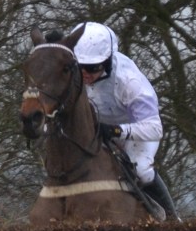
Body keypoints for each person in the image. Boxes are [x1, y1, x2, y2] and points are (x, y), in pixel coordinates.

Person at [72, 21, 179, 220]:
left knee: (140, 169)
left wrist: (116, 131)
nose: (85, 74)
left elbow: (155, 128)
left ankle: (173, 219)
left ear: (107, 61)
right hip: (97, 129)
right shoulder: (74, 74)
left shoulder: (129, 81)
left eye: (92, 68)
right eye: (81, 67)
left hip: (135, 131)